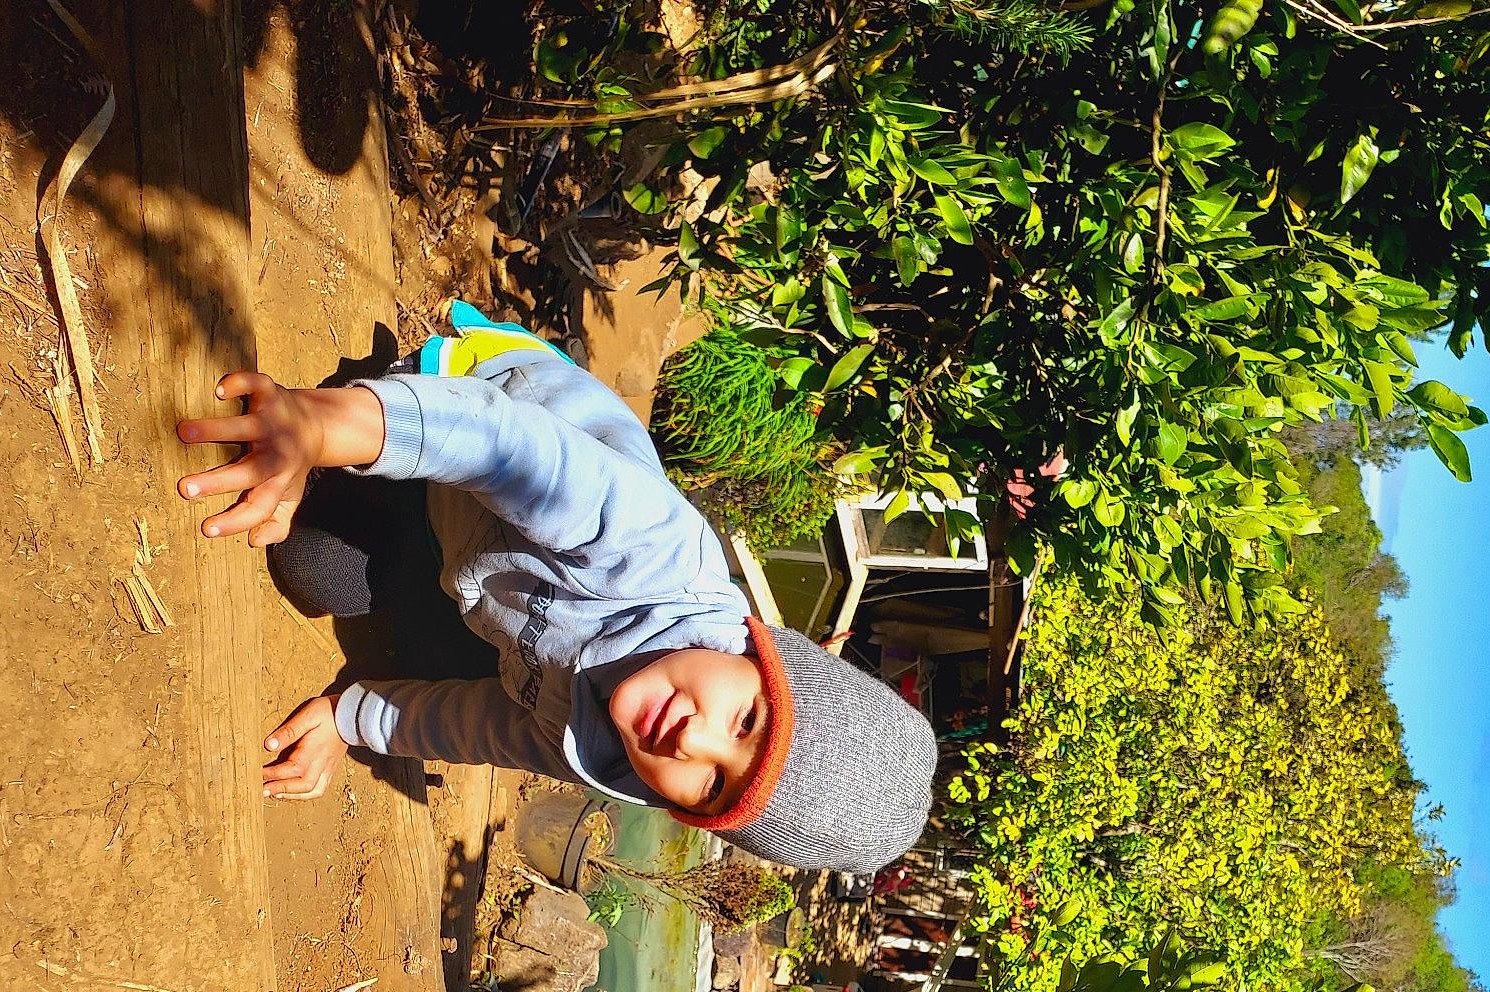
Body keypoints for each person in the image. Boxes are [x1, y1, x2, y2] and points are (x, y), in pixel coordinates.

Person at [175, 303, 936, 875]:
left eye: (709, 785)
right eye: (744, 722)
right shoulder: (656, 556)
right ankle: (429, 387)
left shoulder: (601, 758)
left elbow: (479, 728)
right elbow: (511, 450)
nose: (692, 741)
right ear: (760, 652)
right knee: (320, 520)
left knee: (320, 572)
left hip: (482, 564)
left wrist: (351, 719)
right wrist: (316, 426)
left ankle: (373, 495)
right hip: (482, 398)